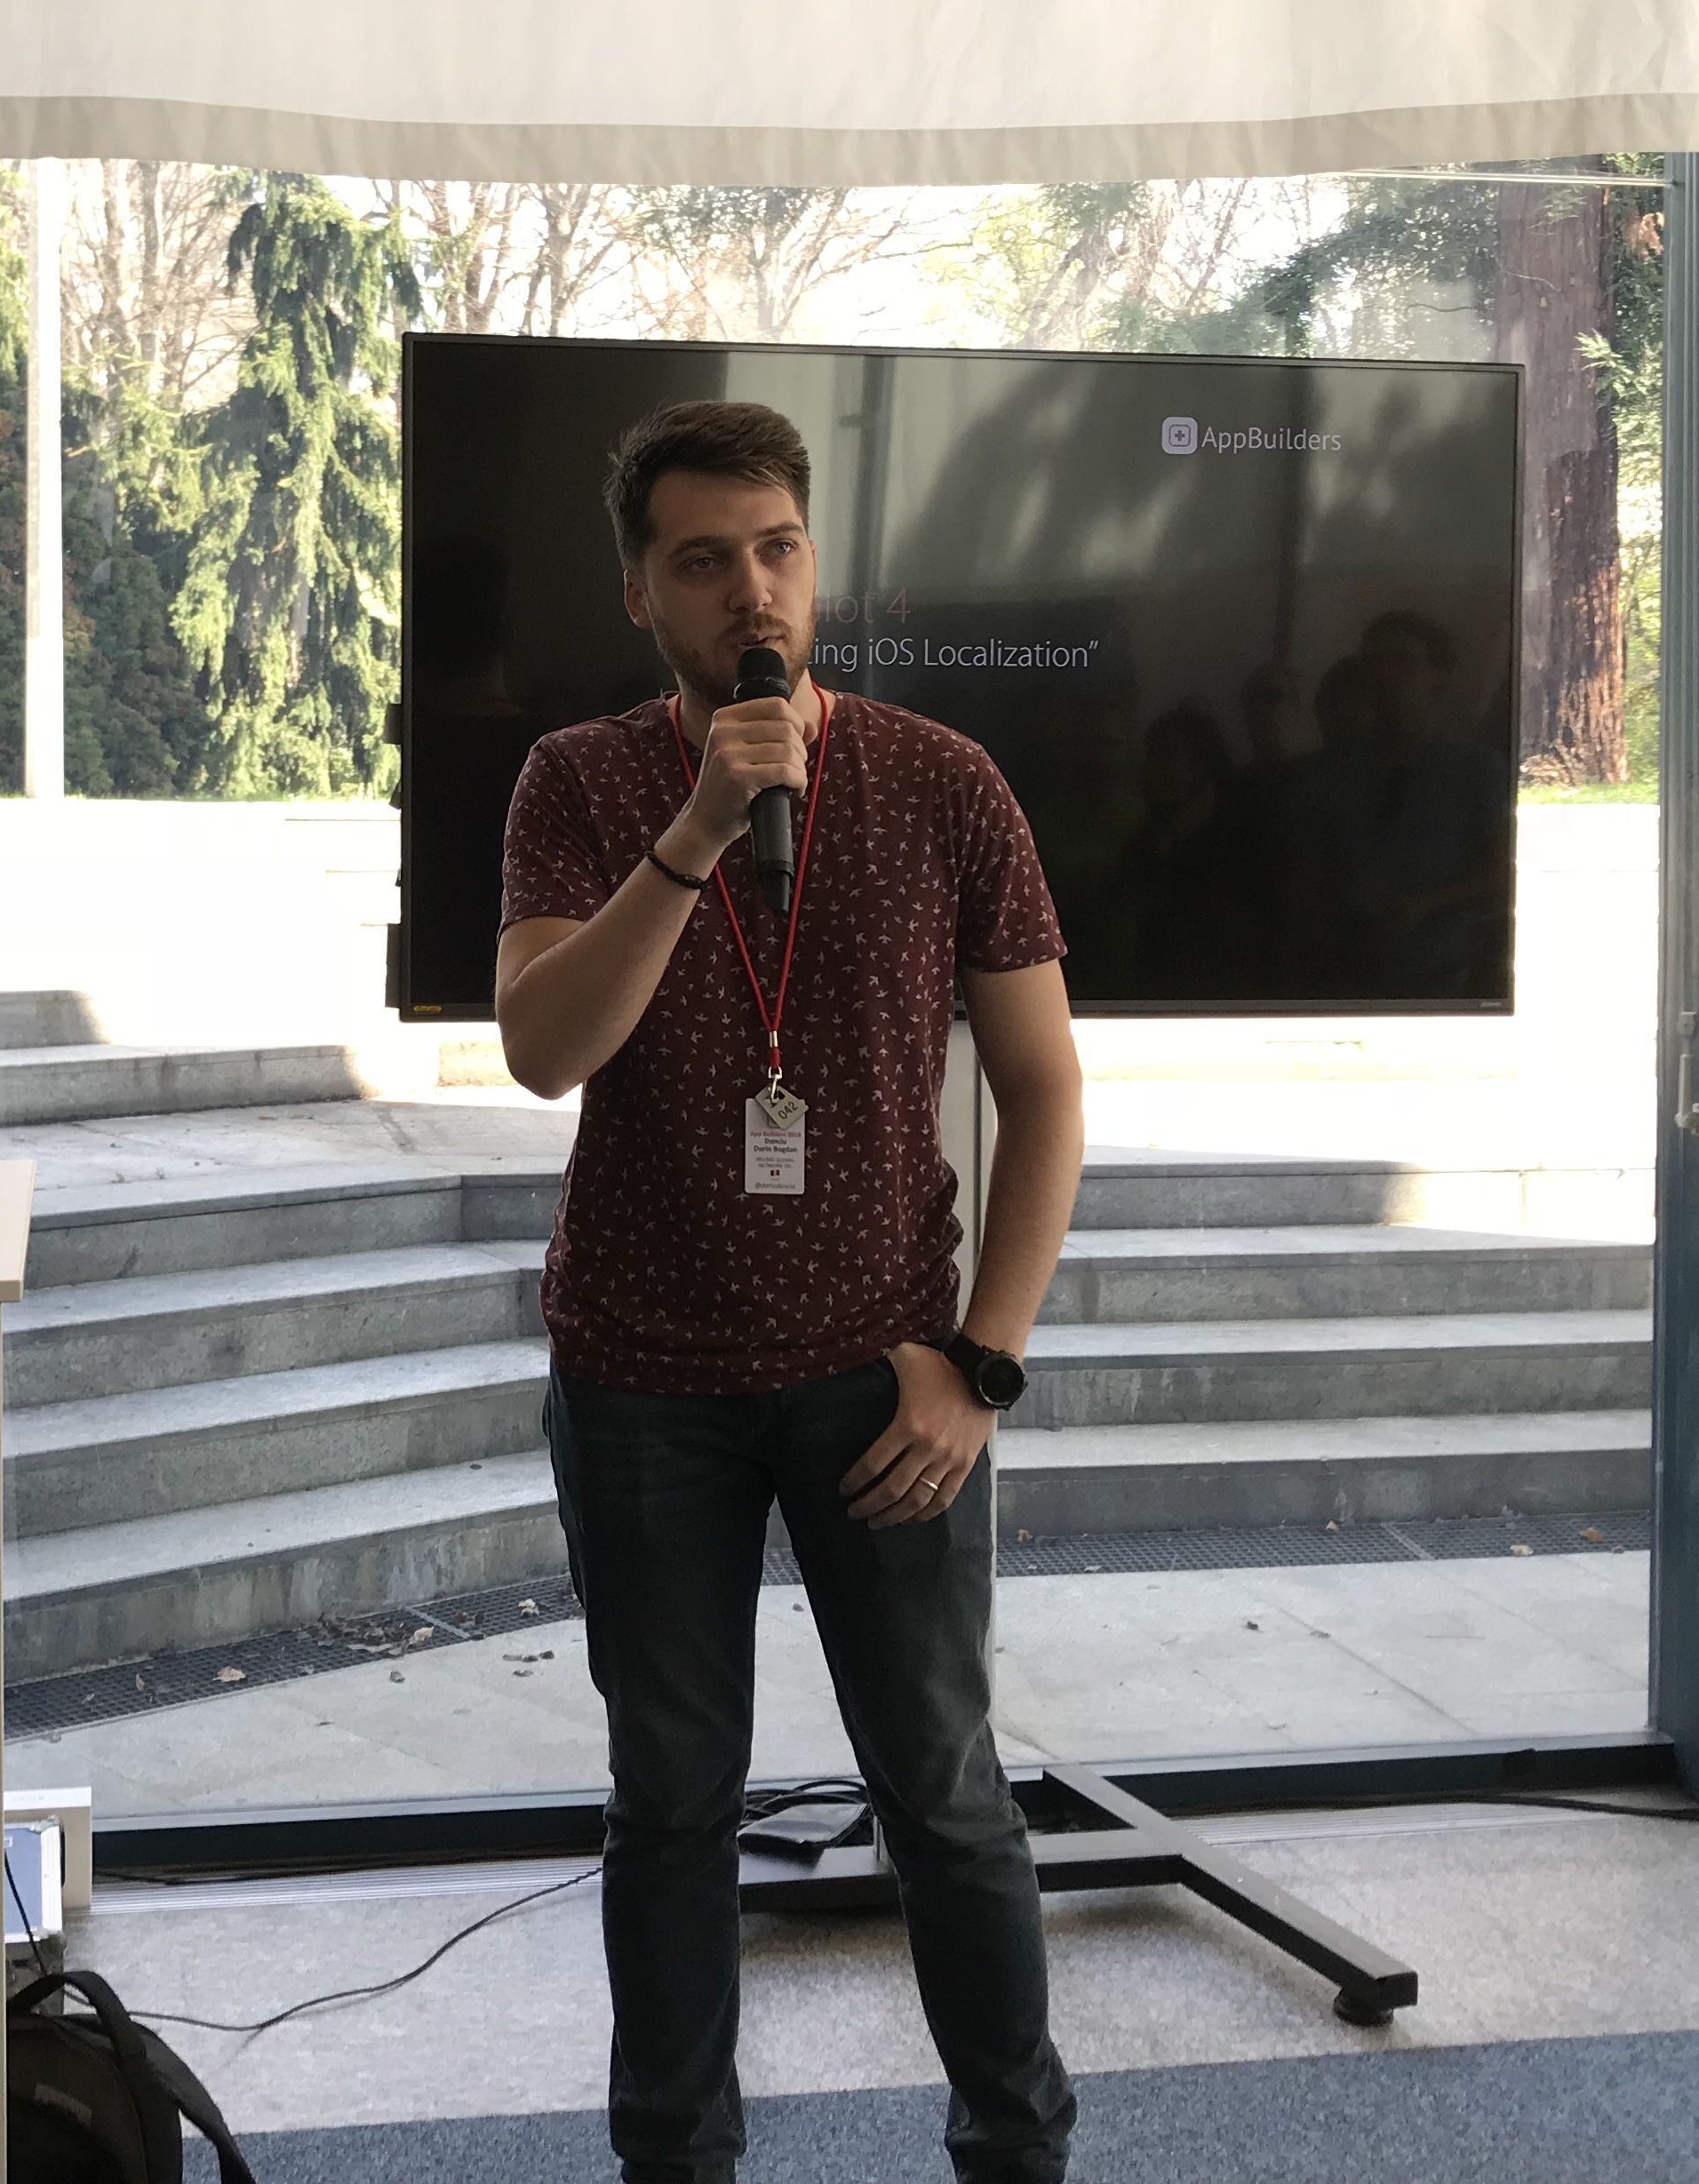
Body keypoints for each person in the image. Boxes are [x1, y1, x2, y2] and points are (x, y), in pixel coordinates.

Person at [493, 400, 1085, 2184]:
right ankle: (675, 2163)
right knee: (671, 1807)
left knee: (946, 1794)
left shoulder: (944, 781)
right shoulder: (578, 784)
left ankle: (1019, 2152)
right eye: (703, 561)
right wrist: (696, 828)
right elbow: (544, 1048)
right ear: (640, 593)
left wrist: (983, 1362)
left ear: (813, 566)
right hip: (641, 1381)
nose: (749, 589)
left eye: (777, 549)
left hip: (883, 1377)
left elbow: (1044, 1088)